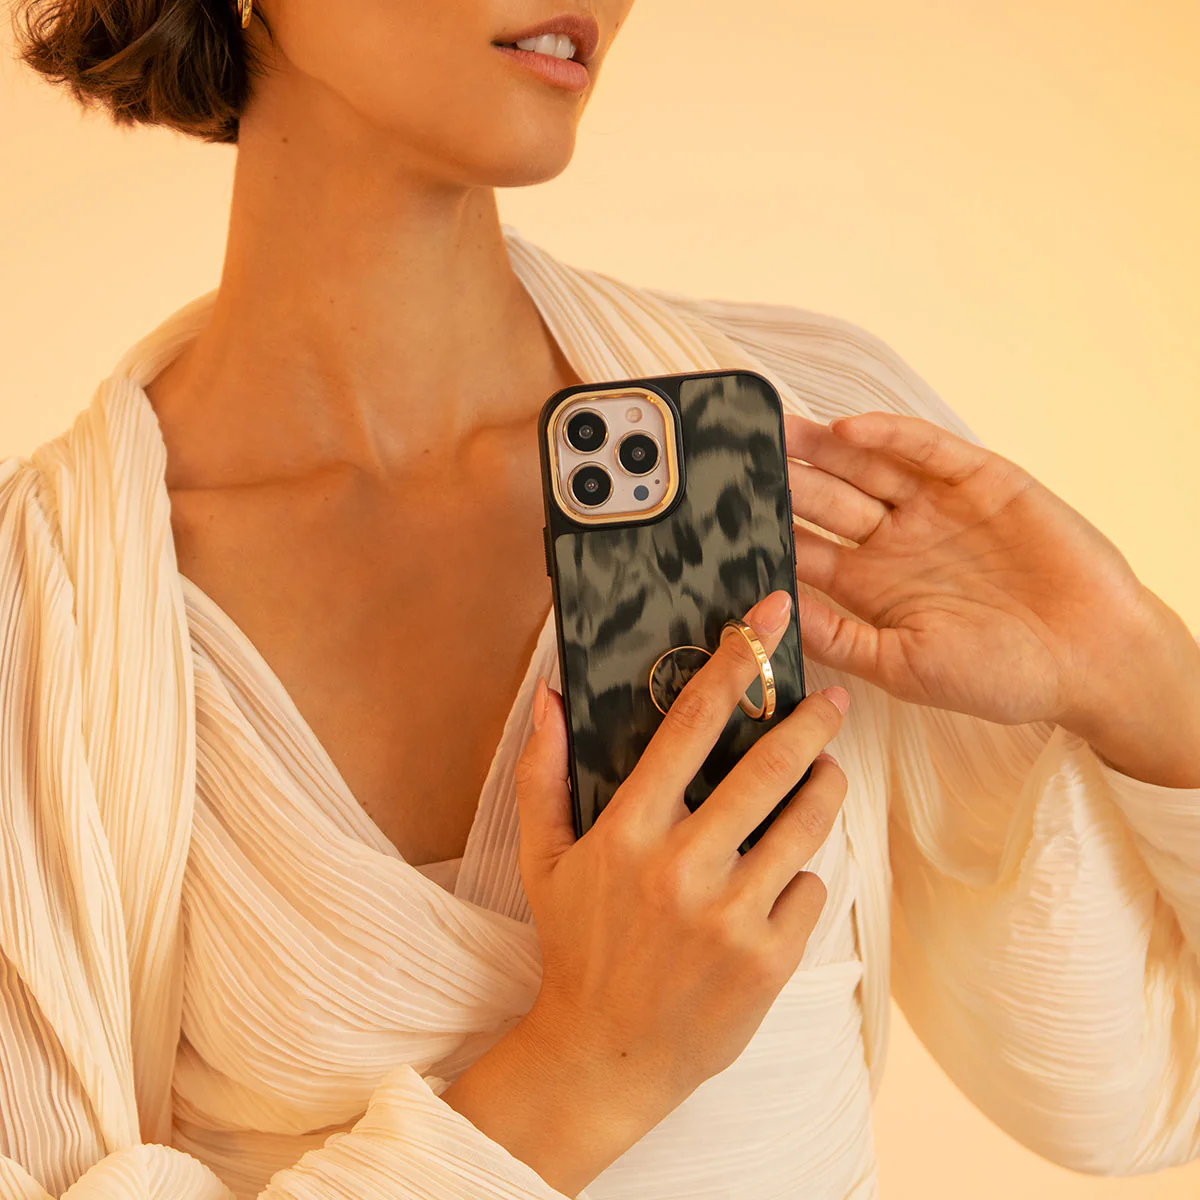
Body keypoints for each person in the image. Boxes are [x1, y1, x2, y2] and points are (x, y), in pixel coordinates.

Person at [4, 0, 1200, 1197]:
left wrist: (1141, 676)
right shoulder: (49, 610)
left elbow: (1153, 1085)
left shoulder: (807, 443)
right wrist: (588, 1067)